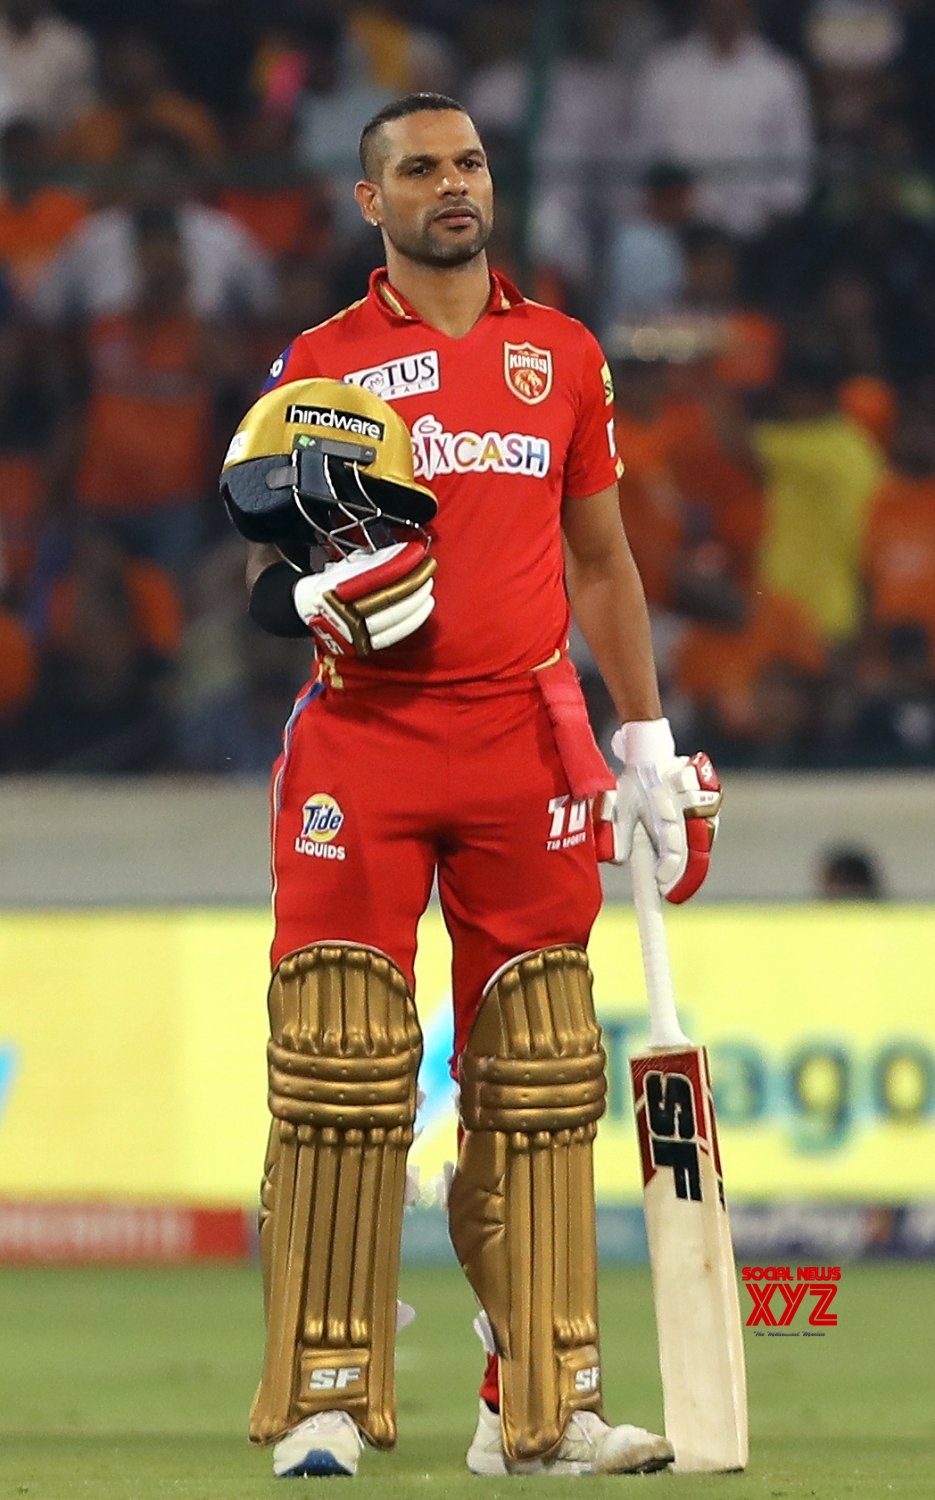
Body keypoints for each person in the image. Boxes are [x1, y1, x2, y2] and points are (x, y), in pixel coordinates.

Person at [220, 92, 721, 1482]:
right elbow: (266, 579)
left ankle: (540, 1410)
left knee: (544, 1067)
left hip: (523, 741)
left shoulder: (560, 355)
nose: (454, 184)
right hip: (365, 738)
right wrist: (314, 592)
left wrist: (643, 735)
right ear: (368, 203)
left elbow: (605, 563)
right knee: (338, 1061)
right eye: (420, 169)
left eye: (471, 162)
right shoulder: (320, 365)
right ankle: (322, 1392)